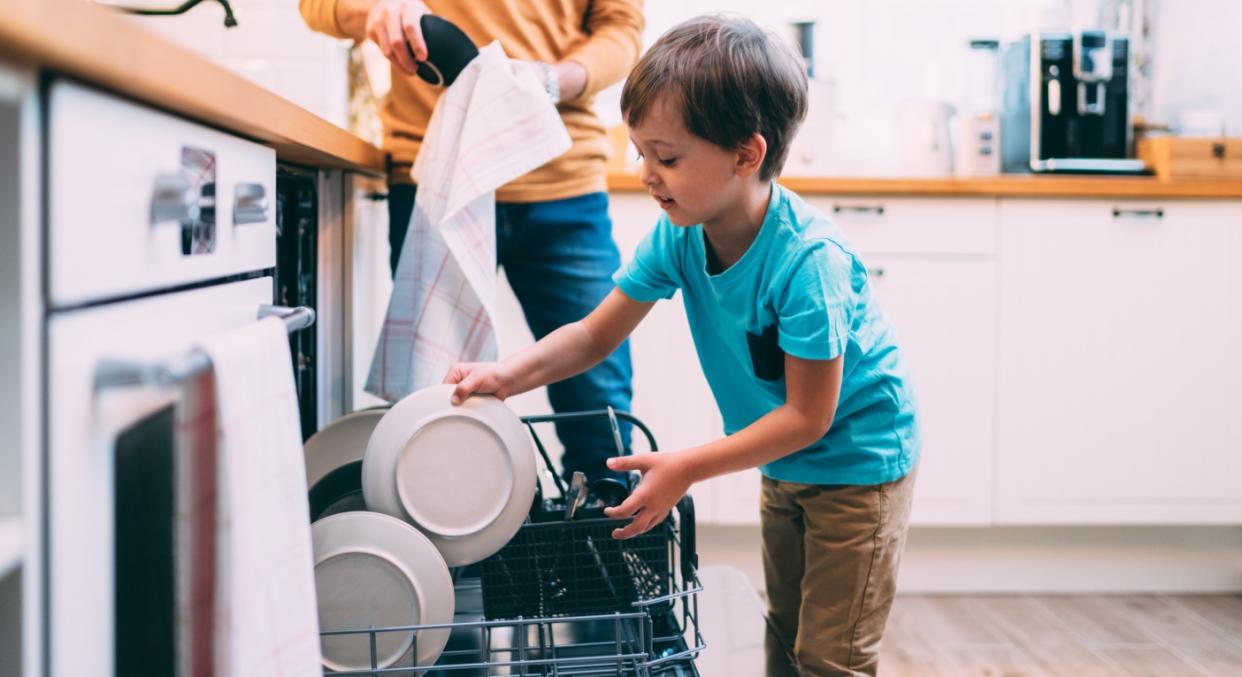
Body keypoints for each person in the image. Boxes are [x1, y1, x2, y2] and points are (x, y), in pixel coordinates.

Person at [445, 14, 921, 677]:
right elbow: (592, 334)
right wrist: (506, 375)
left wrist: (689, 465)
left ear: (745, 154)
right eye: (640, 152)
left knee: (830, 657)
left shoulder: (808, 263)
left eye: (666, 157)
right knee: (785, 634)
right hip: (786, 462)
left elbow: (810, 416)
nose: (646, 173)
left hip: (858, 468)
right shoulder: (682, 234)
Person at [298, 0, 644, 481]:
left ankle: (603, 542)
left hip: (561, 179)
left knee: (596, 401)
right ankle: (444, 546)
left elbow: (621, 27)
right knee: (434, 391)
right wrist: (374, 11)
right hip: (438, 177)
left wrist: (553, 79)